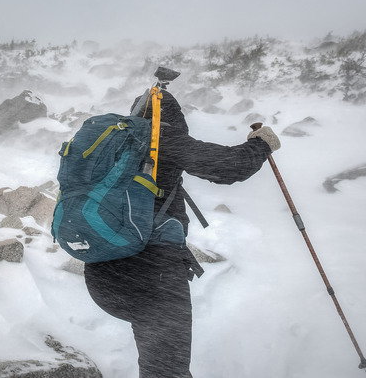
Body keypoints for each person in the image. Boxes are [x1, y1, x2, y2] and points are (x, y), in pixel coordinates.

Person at [83, 90, 281, 378]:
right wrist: (262, 144)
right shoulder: (160, 137)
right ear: (172, 117)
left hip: (102, 271)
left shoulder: (111, 143)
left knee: (158, 366)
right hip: (151, 277)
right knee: (166, 372)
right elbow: (229, 167)